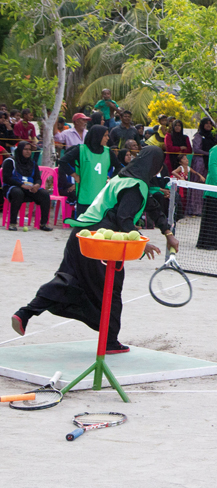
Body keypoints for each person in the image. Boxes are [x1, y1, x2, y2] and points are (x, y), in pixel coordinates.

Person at [11, 147, 178, 352]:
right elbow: (123, 219)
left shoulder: (123, 178)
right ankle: (109, 341)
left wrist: (168, 233)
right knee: (112, 288)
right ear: (153, 165)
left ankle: (25, 313)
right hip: (100, 240)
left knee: (68, 276)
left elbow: (151, 206)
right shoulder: (136, 185)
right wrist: (143, 245)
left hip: (80, 234)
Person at [57, 125, 116, 218]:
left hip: (102, 199)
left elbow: (119, 167)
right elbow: (62, 161)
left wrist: (112, 178)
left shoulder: (108, 151)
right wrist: (75, 175)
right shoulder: (81, 149)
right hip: (85, 197)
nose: (107, 138)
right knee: (83, 228)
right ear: (97, 136)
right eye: (105, 135)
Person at [2, 142, 53, 231]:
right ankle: (12, 223)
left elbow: (38, 178)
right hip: (12, 188)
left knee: (44, 194)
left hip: (30, 189)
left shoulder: (32, 163)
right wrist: (21, 185)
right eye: (25, 149)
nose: (28, 152)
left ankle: (44, 223)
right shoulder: (10, 162)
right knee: (18, 192)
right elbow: (6, 178)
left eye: (29, 149)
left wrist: (37, 185)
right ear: (20, 150)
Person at [186, 118, 216, 217]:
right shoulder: (198, 136)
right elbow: (196, 149)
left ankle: (205, 209)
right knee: (197, 184)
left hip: (209, 163)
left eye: (210, 124)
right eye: (206, 123)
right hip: (199, 162)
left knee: (207, 185)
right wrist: (208, 154)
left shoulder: (212, 137)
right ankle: (195, 209)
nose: (208, 125)